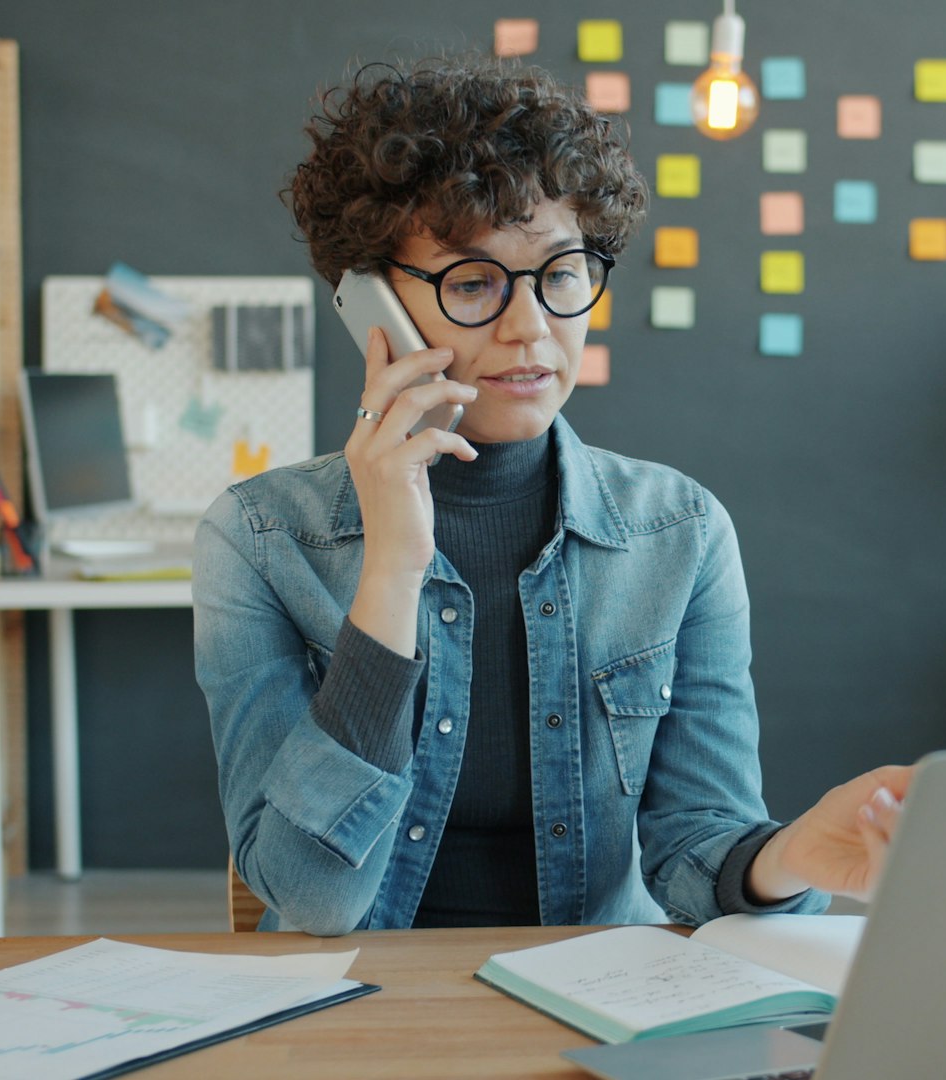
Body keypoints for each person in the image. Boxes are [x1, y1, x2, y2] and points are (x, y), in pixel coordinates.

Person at [194, 54, 909, 936]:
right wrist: (391, 573)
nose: (530, 327)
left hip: (596, 996)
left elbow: (695, 846)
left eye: (561, 273)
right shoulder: (261, 537)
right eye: (471, 283)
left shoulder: (678, 532)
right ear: (370, 305)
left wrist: (789, 858)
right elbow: (312, 898)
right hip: (358, 1010)